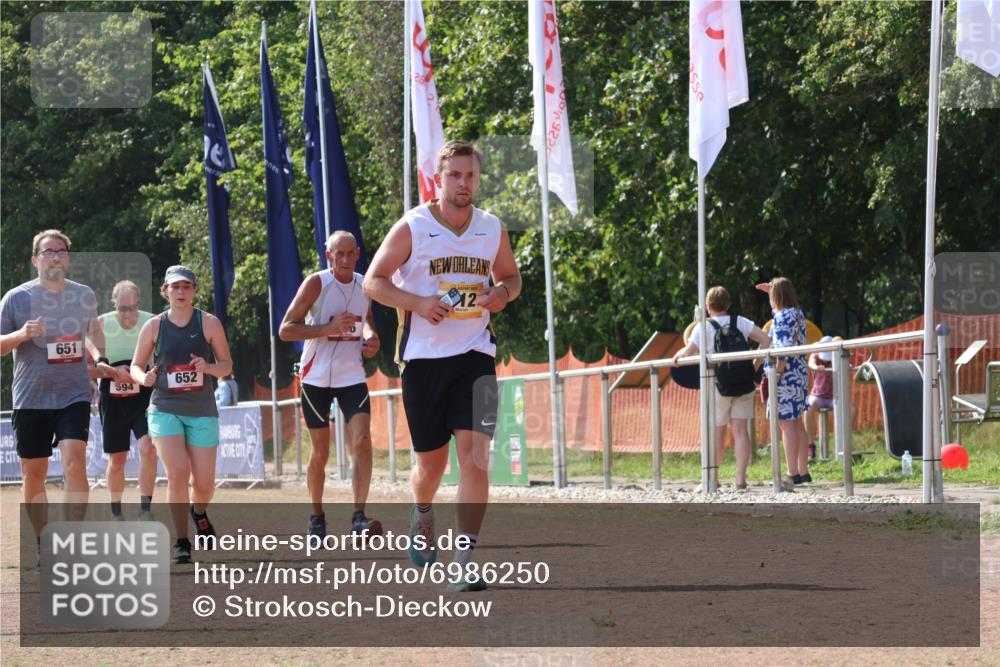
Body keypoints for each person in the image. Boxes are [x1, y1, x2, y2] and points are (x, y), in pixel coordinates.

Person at [364, 140, 521, 592]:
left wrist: (503, 294)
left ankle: (464, 559)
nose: (464, 184)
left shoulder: (492, 228)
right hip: (424, 361)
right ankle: (423, 510)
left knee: (476, 459)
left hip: (477, 356)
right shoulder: (413, 226)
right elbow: (374, 282)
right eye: (455, 176)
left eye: (470, 176)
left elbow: (511, 277)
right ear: (439, 177)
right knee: (429, 468)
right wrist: (418, 303)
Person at [1, 230, 112, 553]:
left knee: (75, 462)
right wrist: (22, 333)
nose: (55, 256)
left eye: (61, 251)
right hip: (31, 397)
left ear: (68, 258)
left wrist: (99, 357)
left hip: (73, 394)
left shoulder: (83, 295)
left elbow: (91, 333)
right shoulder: (16, 298)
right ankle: (42, 542)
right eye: (48, 252)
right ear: (35, 259)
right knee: (33, 473)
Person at [280, 231, 382, 539]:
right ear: (329, 256)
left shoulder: (366, 284)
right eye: (340, 254)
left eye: (352, 253)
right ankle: (316, 517)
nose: (347, 260)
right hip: (316, 378)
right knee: (321, 452)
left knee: (362, 442)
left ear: (358, 254)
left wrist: (370, 340)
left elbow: (367, 323)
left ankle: (359, 519)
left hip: (351, 376)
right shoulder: (316, 283)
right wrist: (327, 328)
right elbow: (286, 330)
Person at [131, 266, 232, 564]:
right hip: (165, 407)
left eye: (186, 286)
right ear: (166, 291)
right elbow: (137, 365)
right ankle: (181, 541)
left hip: (201, 409)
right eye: (175, 287)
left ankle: (198, 512)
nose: (181, 291)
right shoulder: (154, 326)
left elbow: (226, 365)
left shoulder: (209, 323)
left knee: (203, 485)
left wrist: (209, 367)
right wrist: (143, 378)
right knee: (177, 473)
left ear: (194, 291)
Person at [672, 286, 770, 489]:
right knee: (741, 432)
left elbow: (689, 351)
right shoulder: (740, 322)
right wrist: (754, 365)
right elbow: (766, 340)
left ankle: (713, 478)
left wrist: (677, 357)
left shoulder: (703, 327)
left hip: (719, 385)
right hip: (744, 383)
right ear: (728, 304)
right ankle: (740, 479)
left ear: (708, 307)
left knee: (718, 433)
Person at [97, 280, 158, 521]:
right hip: (112, 396)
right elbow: (87, 365)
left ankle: (145, 510)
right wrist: (112, 372)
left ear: (139, 304)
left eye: (133, 308)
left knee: (149, 449)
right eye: (123, 309)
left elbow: (163, 356)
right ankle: (116, 513)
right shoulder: (101, 324)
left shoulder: (153, 322)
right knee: (117, 459)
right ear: (114, 305)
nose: (129, 314)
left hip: (143, 395)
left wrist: (150, 374)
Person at [756, 277, 811, 486]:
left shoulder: (780, 318)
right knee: (797, 422)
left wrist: (777, 374)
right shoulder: (798, 314)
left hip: (784, 375)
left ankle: (791, 472)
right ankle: (803, 471)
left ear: (776, 297)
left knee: (785, 424)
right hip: (799, 374)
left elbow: (782, 349)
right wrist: (773, 290)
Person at [804, 335, 855, 459]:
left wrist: (847, 367)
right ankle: (810, 444)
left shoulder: (838, 356)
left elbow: (848, 366)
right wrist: (817, 367)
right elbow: (811, 364)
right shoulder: (815, 355)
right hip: (818, 395)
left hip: (835, 396)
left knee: (851, 410)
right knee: (808, 407)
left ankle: (845, 444)